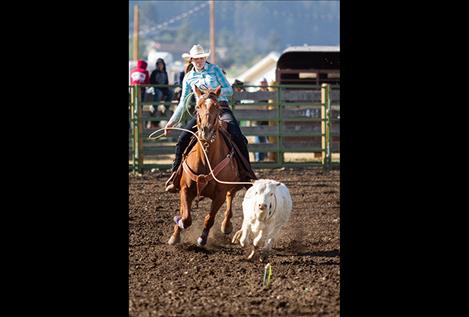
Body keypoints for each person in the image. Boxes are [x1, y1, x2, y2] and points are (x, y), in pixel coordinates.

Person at [163, 44, 255, 192]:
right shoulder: (189, 77)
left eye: (201, 58)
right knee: (182, 139)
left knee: (237, 135)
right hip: (202, 111)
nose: (199, 61)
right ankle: (175, 176)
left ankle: (246, 173)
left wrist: (213, 93)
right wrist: (172, 121)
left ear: (205, 58)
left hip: (221, 107)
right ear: (191, 60)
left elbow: (229, 90)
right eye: (196, 59)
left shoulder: (215, 70)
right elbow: (183, 102)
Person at [253, 78, 270, 161]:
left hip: (269, 121)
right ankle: (259, 159)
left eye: (264, 82)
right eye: (261, 82)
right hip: (259, 121)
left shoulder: (270, 92)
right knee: (259, 140)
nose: (263, 84)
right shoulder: (257, 94)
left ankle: (265, 158)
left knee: (267, 141)